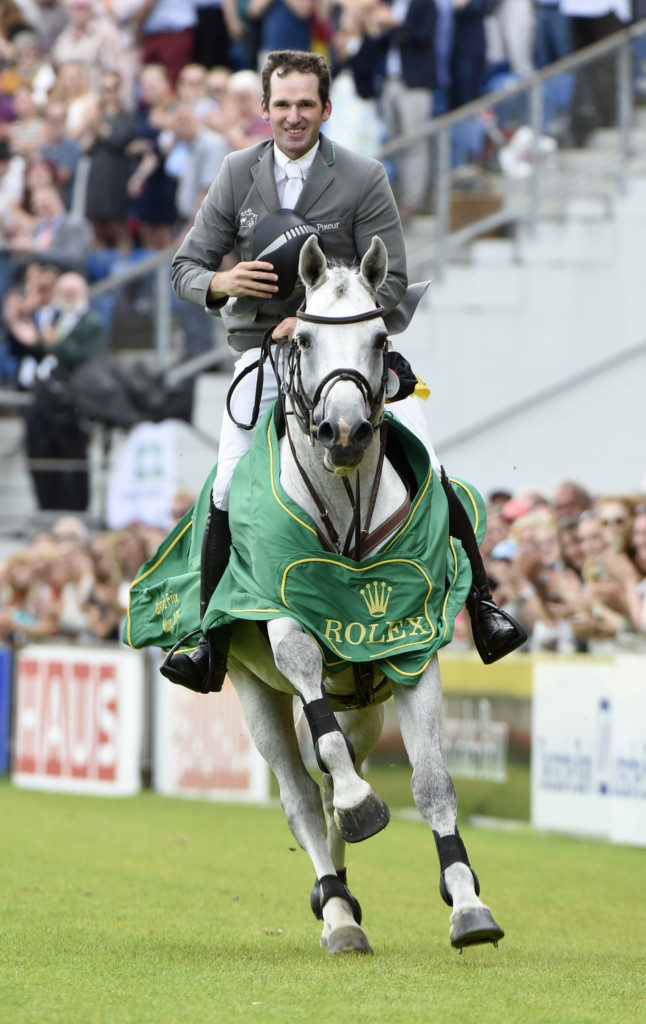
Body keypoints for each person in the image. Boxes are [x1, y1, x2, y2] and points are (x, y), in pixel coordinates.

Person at [164, 48, 525, 693]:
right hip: (263, 356)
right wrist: (220, 281)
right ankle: (205, 640)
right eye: (282, 105)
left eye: (306, 104)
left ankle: (484, 608)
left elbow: (396, 286)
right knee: (223, 482)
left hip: (351, 358)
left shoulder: (363, 176)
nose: (294, 116)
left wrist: (316, 320)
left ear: (326, 109)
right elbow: (183, 269)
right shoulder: (236, 172)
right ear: (265, 110)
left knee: (430, 462)